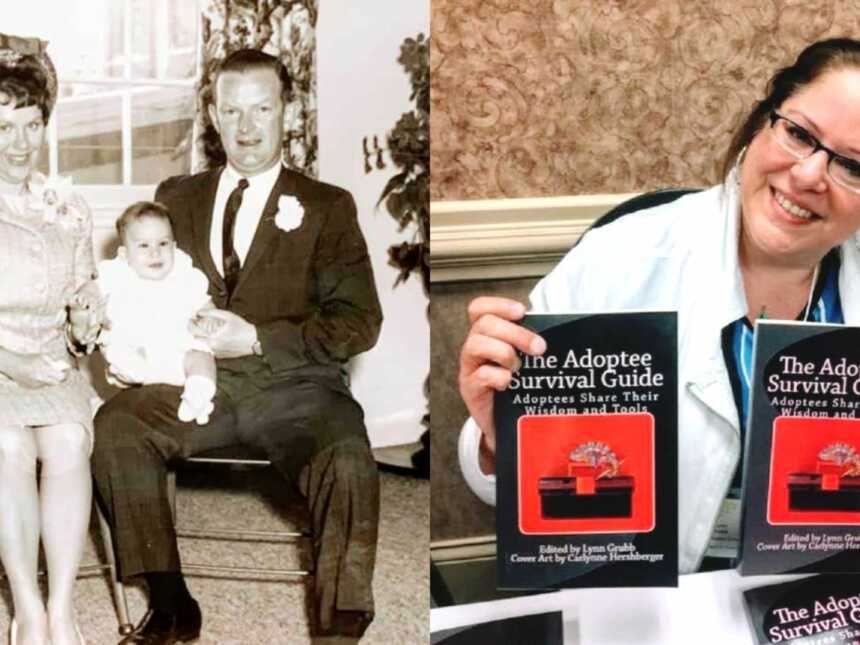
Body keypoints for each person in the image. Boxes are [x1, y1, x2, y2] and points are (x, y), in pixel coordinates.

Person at [458, 37, 860, 575]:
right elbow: (519, 500)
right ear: (762, 124)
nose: (809, 176)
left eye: (853, 167)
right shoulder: (620, 259)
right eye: (798, 134)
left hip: (820, 597)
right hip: (642, 600)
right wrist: (500, 438)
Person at [91, 48, 383, 645]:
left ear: (287, 114)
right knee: (117, 427)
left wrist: (256, 339)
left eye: (262, 110)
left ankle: (339, 627)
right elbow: (143, 286)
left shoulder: (328, 206)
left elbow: (359, 322)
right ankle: (172, 606)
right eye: (232, 111)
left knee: (349, 460)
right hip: (195, 384)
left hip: (296, 388)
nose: (247, 129)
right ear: (213, 116)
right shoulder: (176, 196)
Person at [0, 33, 99, 645]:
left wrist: (85, 324)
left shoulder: (69, 204)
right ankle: (27, 609)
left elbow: (81, 298)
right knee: (7, 446)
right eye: (3, 126)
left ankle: (61, 610)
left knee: (66, 440)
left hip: (52, 367)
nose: (20, 144)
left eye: (32, 125)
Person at [94, 201, 218, 424]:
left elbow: (204, 303)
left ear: (174, 246)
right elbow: (92, 291)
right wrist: (86, 298)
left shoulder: (184, 276)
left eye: (163, 243)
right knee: (119, 349)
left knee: (201, 356)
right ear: (124, 254)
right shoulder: (117, 274)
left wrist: (209, 318)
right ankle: (134, 369)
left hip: (178, 349)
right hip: (138, 348)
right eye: (143, 246)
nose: (155, 252)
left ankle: (199, 393)